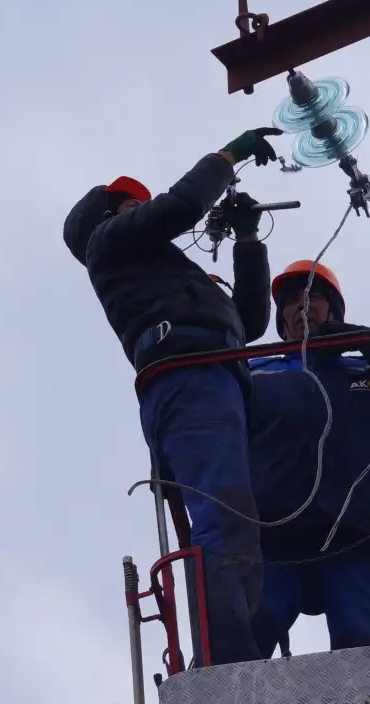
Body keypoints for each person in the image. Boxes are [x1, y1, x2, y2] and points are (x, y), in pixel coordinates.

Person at [62, 129, 282, 666]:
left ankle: (239, 651)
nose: (143, 206)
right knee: (225, 517)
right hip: (189, 379)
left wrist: (248, 243)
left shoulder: (170, 274)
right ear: (104, 216)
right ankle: (229, 665)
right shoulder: (107, 244)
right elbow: (182, 206)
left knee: (242, 521)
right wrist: (229, 156)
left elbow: (249, 322)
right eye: (129, 203)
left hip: (214, 376)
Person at [247, 261, 370, 655]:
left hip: (359, 539)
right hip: (269, 542)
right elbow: (206, 419)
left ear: (334, 309)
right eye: (289, 301)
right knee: (238, 645)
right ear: (281, 318)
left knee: (364, 652)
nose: (301, 306)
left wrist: (363, 339)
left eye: (313, 296)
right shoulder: (255, 371)